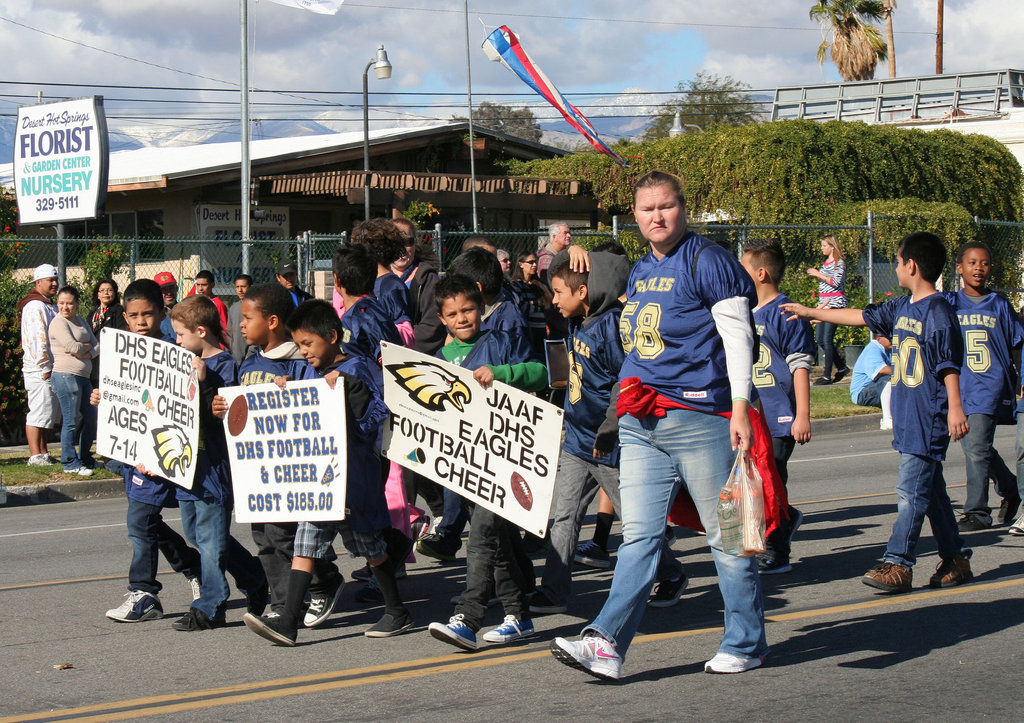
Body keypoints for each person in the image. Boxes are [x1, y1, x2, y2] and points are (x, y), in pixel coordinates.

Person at [550, 171, 768, 680]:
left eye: (665, 206)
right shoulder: (643, 267)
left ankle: (746, 640)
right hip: (642, 421)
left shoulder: (708, 259)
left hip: (699, 417)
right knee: (639, 537)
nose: (656, 216)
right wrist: (575, 245)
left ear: (683, 208)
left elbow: (739, 337)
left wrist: (739, 406)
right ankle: (606, 643)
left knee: (727, 537)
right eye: (646, 209)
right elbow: (584, 273)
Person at [781, 231, 973, 595]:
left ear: (910, 265)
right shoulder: (903, 306)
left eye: (898, 261)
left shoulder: (938, 312)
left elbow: (949, 364)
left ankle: (898, 562)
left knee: (910, 492)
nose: (897, 266)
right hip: (908, 411)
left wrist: (956, 409)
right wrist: (810, 312)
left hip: (929, 414)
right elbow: (859, 316)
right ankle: (956, 557)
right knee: (930, 491)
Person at [242, 299, 414, 644]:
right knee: (307, 541)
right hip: (320, 478)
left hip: (354, 478)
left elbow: (374, 422)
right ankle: (289, 620)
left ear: (332, 336)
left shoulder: (359, 368)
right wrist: (285, 391)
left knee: (370, 546)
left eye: (308, 344)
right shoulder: (308, 370)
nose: (304, 352)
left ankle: (396, 610)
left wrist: (352, 391)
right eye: (299, 345)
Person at [528, 250, 687, 616]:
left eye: (558, 292)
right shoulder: (577, 321)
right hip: (576, 441)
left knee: (634, 518)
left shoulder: (610, 325)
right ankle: (554, 591)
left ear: (583, 292)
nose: (553, 300)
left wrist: (609, 430)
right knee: (564, 515)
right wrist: (572, 251)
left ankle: (672, 571)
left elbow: (624, 381)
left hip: (605, 445)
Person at [427, 274, 547, 651]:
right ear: (442, 318)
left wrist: (502, 374)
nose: (462, 319)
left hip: (503, 462)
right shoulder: (437, 360)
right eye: (453, 314)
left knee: (481, 536)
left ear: (481, 308)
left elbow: (542, 373)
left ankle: (469, 616)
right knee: (498, 542)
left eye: (468, 310)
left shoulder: (503, 341)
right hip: (462, 466)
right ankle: (518, 616)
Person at [218, 283, 343, 620]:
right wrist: (224, 408)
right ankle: (283, 604)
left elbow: (314, 406)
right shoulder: (250, 361)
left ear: (272, 321)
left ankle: (323, 582)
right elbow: (243, 411)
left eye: (247, 318)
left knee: (288, 535)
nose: (240, 325)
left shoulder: (296, 362)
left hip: (292, 468)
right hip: (257, 470)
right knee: (264, 536)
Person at [98, 279, 203, 623]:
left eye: (148, 314)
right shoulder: (120, 353)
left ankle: (143, 592)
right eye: (134, 315)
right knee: (147, 522)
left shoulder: (175, 353)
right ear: (125, 317)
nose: (141, 321)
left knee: (140, 522)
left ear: (161, 312)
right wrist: (102, 398)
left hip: (163, 456)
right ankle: (194, 568)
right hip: (134, 457)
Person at [166, 295, 268, 631]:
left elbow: (224, 417)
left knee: (210, 537)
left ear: (200, 331)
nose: (177, 341)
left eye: (180, 334)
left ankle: (210, 604)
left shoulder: (224, 366)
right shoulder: (183, 361)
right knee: (199, 533)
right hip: (188, 464)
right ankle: (254, 578)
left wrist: (206, 380)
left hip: (215, 466)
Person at [740, 238, 814, 575]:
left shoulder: (787, 313)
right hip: (752, 414)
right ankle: (779, 525)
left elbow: (800, 365)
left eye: (743, 268)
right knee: (755, 481)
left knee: (773, 479)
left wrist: (802, 415)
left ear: (761, 273)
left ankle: (778, 548)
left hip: (780, 415)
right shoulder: (743, 313)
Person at [946, 242, 1023, 531]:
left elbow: (1018, 344)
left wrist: (1021, 380)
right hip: (958, 387)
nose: (979, 268)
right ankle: (1010, 488)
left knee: (977, 448)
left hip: (988, 385)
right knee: (976, 447)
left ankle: (977, 511)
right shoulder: (949, 303)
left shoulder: (999, 304)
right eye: (973, 263)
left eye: (985, 263)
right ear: (960, 268)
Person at [48, 286, 99, 476]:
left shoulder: (80, 322)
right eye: (61, 303)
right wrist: (84, 350)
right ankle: (69, 461)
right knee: (71, 420)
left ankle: (85, 457)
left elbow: (96, 345)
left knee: (91, 419)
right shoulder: (58, 323)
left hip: (84, 377)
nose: (65, 307)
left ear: (77, 304)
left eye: (69, 303)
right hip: (65, 375)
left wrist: (84, 350)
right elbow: (72, 347)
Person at [18, 263, 60, 466]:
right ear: (38, 283)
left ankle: (43, 452)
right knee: (38, 412)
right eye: (50, 280)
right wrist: (44, 367)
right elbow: (37, 339)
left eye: (55, 279)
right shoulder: (35, 306)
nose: (54, 283)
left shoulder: (47, 304)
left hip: (49, 368)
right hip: (39, 369)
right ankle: (34, 455)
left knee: (47, 412)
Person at [391, 217, 445, 356]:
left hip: (414, 355)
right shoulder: (375, 277)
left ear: (415, 244)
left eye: (407, 242)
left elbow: (432, 325)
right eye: (394, 242)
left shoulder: (428, 279)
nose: (401, 248)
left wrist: (399, 348)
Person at [449, 247, 530, 339]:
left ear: (477, 288)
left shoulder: (509, 323)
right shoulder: (477, 310)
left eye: (458, 286)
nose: (454, 291)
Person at [807, 235, 849, 385]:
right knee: (820, 339)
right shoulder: (826, 263)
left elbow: (836, 282)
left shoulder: (839, 263)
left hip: (835, 303)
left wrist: (818, 274)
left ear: (832, 246)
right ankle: (842, 367)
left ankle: (827, 375)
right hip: (824, 303)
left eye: (824, 245)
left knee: (827, 338)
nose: (822, 248)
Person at [510, 251, 553, 356]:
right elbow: (522, 307)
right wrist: (538, 304)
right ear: (521, 264)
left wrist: (534, 303)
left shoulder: (538, 285)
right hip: (528, 330)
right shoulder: (517, 285)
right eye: (530, 262)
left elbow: (548, 304)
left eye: (535, 262)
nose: (534, 265)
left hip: (541, 329)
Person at [850, 334, 894, 430]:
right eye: (889, 337)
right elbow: (882, 370)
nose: (892, 339)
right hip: (862, 393)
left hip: (876, 389)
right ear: (878, 338)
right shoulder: (873, 349)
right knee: (890, 380)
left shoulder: (890, 350)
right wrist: (905, 372)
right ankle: (886, 420)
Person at [227, 273, 253, 363]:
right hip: (235, 357)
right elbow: (229, 333)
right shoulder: (233, 308)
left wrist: (251, 352)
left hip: (250, 357)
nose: (240, 290)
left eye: (243, 286)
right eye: (237, 287)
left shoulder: (256, 307)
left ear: (250, 287)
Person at [154, 271, 179, 341]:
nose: (168, 293)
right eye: (164, 290)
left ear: (176, 288)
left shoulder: (185, 310)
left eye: (171, 288)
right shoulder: (154, 315)